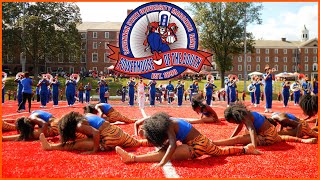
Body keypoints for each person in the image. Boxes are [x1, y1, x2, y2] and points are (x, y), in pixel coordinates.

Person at [115, 112, 261, 166]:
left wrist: (162, 163)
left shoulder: (169, 125)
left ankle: (132, 159)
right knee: (220, 152)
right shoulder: (167, 121)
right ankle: (245, 149)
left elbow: (172, 146)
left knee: (167, 152)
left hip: (198, 146)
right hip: (200, 142)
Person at [212, 104, 317, 147]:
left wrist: (253, 146)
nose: (234, 123)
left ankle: (214, 143)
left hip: (269, 136)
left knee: (239, 139)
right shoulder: (245, 114)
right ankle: (306, 139)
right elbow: (239, 126)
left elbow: (252, 130)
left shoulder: (245, 117)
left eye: (233, 121)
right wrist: (231, 137)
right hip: (272, 134)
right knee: (281, 136)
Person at [39, 112, 151, 153]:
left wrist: (94, 150)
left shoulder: (79, 125)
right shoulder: (86, 116)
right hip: (117, 132)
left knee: (76, 144)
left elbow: (96, 133)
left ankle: (50, 146)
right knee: (138, 143)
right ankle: (161, 142)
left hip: (109, 139)